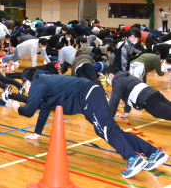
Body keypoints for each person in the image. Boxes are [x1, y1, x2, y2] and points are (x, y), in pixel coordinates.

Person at [11, 67, 169, 178]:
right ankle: (153, 153)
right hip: (90, 93)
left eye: (24, 85)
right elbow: (44, 108)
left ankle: (133, 159)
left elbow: (29, 111)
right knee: (114, 130)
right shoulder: (45, 82)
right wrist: (37, 133)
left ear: (28, 81)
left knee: (105, 130)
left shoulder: (38, 82)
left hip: (88, 96)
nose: (25, 88)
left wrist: (17, 107)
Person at [106, 64, 171, 124]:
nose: (107, 79)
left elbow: (114, 99)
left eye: (107, 77)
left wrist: (109, 117)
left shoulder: (116, 81)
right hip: (154, 93)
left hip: (147, 99)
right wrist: (126, 113)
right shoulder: (126, 76)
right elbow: (127, 96)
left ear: (111, 75)